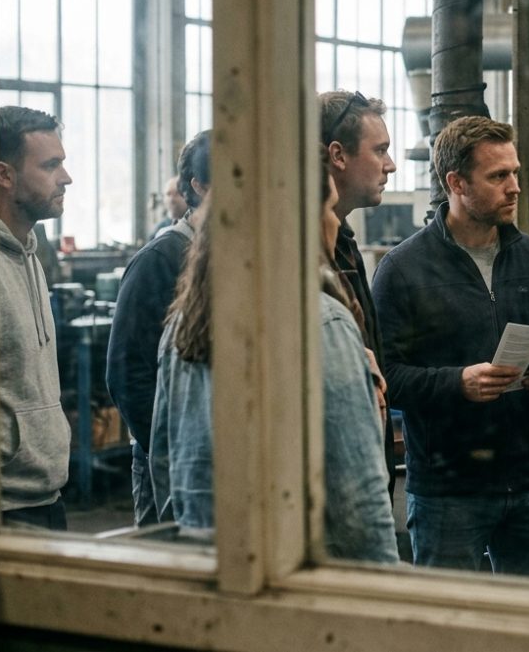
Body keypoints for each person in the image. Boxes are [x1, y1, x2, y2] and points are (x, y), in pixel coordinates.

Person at [148, 172, 399, 562]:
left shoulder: (184, 321)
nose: (335, 223)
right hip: (303, 568)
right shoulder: (322, 321)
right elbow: (357, 500)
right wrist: (383, 582)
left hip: (215, 562)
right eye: (330, 209)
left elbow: (165, 464)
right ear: (297, 221)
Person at [372, 115, 529, 578]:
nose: (515, 187)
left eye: (515, 173)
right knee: (450, 618)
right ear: (456, 183)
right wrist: (457, 384)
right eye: (498, 176)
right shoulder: (402, 270)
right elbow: (386, 378)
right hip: (449, 490)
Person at [106, 132, 211, 526]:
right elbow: (126, 374)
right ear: (198, 187)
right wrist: (171, 449)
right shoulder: (159, 259)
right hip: (167, 465)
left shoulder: (235, 257)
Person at [0, 105, 74, 530]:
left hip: (48, 494)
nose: (66, 177)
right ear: (4, 175)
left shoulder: (30, 253)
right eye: (50, 165)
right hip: (1, 504)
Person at [319, 90, 396, 457]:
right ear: (338, 155)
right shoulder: (297, 259)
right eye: (380, 150)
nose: (390, 165)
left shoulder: (345, 244)